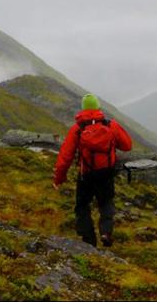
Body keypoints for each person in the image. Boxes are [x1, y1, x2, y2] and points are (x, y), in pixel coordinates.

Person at [52, 93, 132, 247]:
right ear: (98, 107)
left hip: (86, 175)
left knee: (82, 206)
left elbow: (65, 157)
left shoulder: (77, 129)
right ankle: (106, 232)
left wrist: (59, 178)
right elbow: (127, 146)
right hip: (107, 173)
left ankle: (88, 241)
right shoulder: (110, 125)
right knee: (106, 203)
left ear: (83, 109)